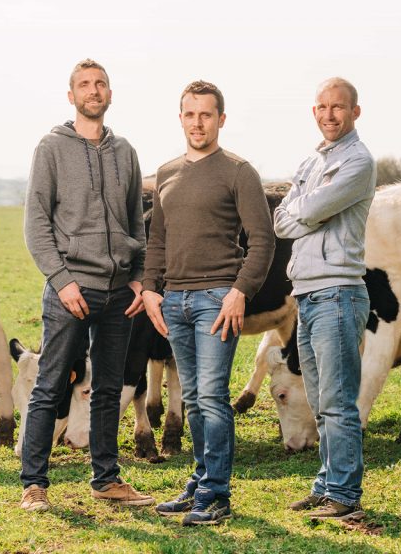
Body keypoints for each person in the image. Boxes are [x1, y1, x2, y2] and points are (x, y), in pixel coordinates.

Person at [20, 59, 154, 511]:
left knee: (109, 389)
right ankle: (34, 484)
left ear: (110, 95)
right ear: (71, 95)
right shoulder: (51, 148)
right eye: (84, 85)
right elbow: (36, 223)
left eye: (100, 84)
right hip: (70, 291)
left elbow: (137, 220)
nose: (93, 91)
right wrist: (62, 281)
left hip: (120, 293)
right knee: (50, 384)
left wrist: (137, 278)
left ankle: (106, 480)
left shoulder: (126, 152)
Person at [141, 80, 275, 526]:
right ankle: (200, 482)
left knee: (213, 398)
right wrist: (150, 289)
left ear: (221, 119)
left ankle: (217, 494)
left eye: (206, 115)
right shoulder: (166, 172)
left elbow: (262, 240)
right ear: (180, 118)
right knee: (194, 400)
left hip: (217, 299)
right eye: (190, 114)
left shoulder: (239, 171)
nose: (197, 123)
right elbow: (157, 239)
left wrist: (240, 292)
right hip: (174, 299)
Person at [273, 77, 375, 521]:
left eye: (339, 107)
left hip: (338, 292)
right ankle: (326, 483)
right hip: (307, 295)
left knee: (337, 401)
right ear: (314, 112)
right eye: (322, 107)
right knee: (318, 401)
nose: (329, 114)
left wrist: (307, 210)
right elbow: (281, 221)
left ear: (355, 112)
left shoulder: (359, 162)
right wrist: (307, 211)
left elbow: (307, 211)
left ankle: (345, 495)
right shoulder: (311, 162)